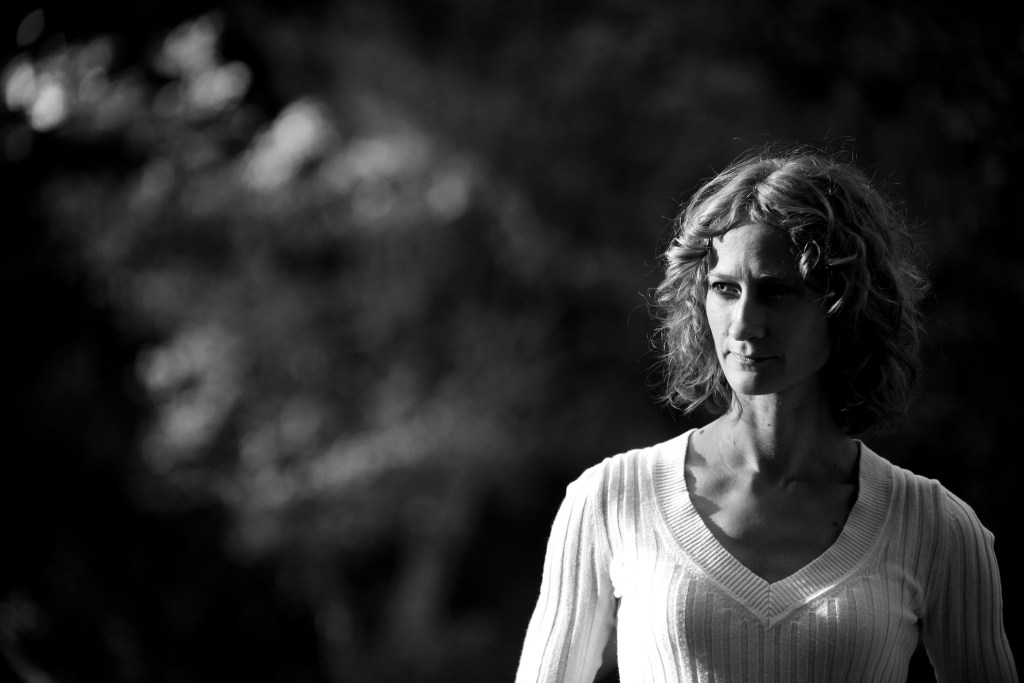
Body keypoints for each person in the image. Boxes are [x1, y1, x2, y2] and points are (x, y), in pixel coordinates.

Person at [515, 144, 1018, 682]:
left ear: (846, 306)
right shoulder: (613, 498)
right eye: (724, 289)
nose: (743, 324)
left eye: (777, 292)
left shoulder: (934, 527)